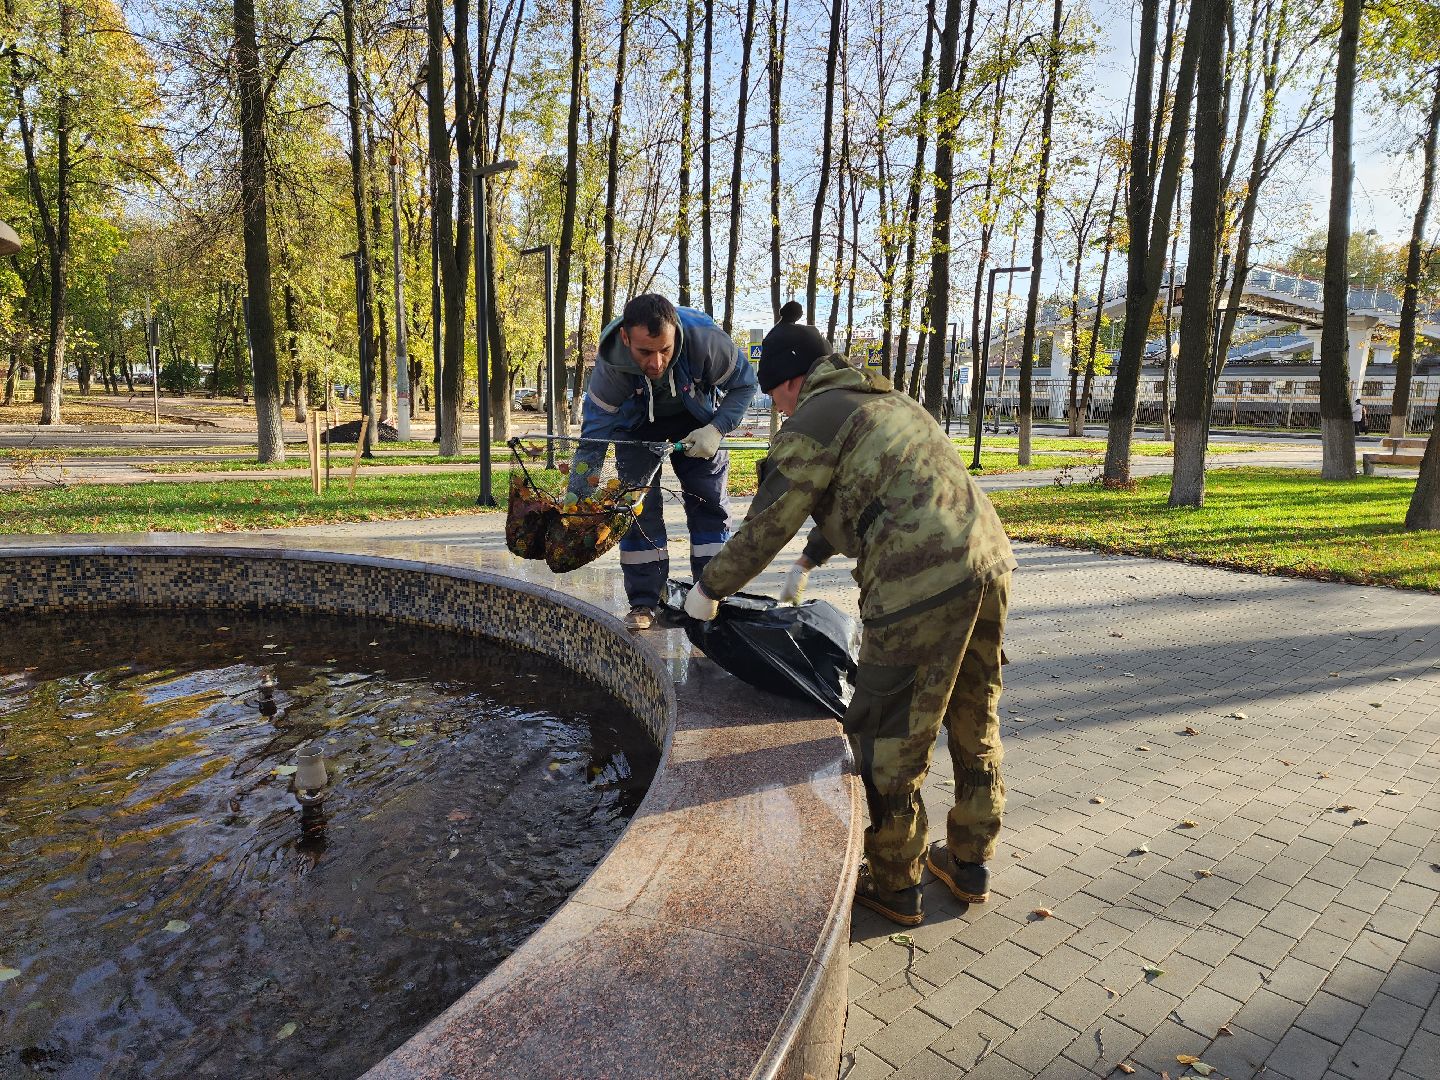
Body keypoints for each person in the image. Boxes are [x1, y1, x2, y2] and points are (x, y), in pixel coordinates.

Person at [682, 321, 1016, 926]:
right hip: (988, 561)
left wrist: (708, 590)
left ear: (790, 383)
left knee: (887, 731)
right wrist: (811, 558)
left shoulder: (813, 418)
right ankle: (970, 862)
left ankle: (894, 882)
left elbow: (766, 522)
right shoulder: (882, 399)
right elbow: (874, 488)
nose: (776, 408)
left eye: (773, 394)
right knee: (974, 709)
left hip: (918, 581)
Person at [576, 294, 757, 630]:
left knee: (710, 506)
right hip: (635, 428)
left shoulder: (707, 340)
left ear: (676, 335)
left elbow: (745, 385)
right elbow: (593, 441)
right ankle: (644, 602)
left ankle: (712, 597)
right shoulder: (610, 366)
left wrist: (717, 429)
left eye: (666, 350)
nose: (657, 363)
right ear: (627, 339)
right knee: (637, 509)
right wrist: (576, 496)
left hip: (698, 423)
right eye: (645, 352)